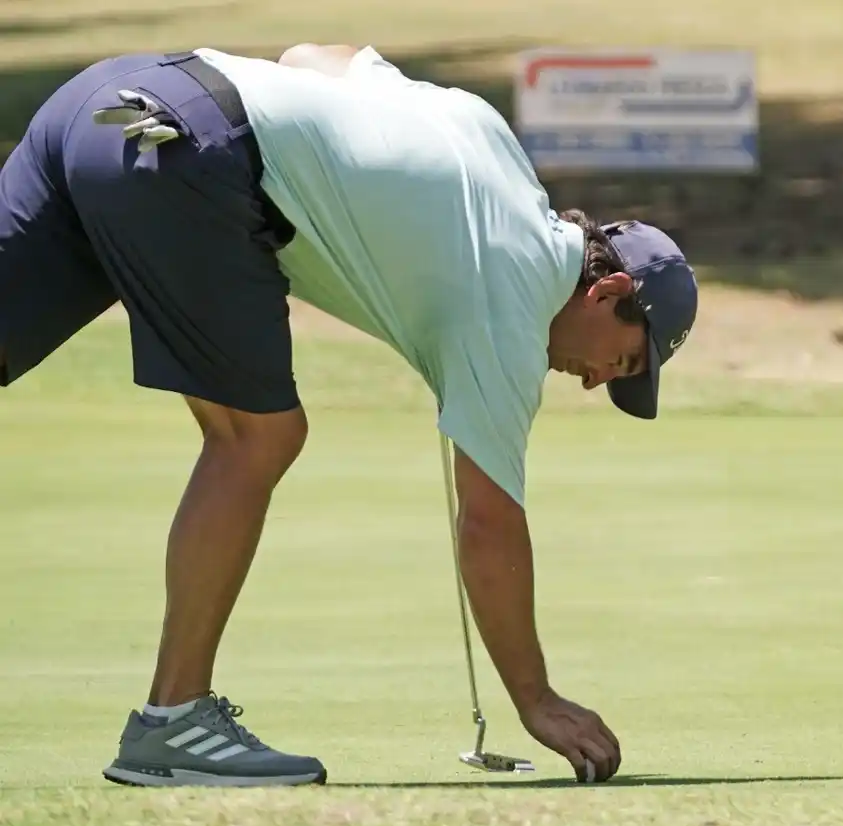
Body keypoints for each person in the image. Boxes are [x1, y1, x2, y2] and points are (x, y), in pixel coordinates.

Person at [0, 44, 698, 786]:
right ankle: (172, 722)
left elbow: (316, 54)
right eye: (622, 360)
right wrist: (536, 698)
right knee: (259, 437)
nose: (596, 383)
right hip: (188, 157)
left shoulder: (488, 137)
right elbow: (489, 526)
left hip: (112, 95)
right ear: (606, 289)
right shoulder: (516, 303)